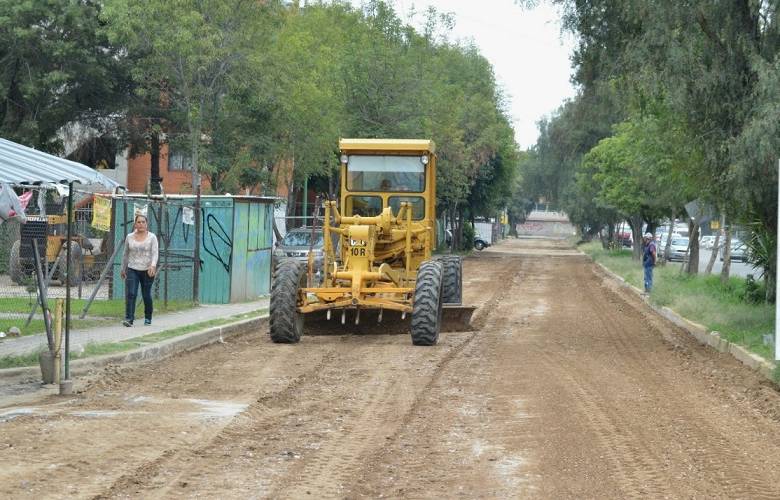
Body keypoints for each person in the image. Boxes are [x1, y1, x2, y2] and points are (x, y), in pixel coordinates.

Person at [120, 214, 159, 326]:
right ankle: (129, 319)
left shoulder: (152, 237)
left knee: (146, 294)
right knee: (131, 293)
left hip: (147, 270)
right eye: (139, 222)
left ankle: (148, 317)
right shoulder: (129, 237)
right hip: (132, 268)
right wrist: (123, 268)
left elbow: (155, 253)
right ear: (135, 224)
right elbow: (125, 254)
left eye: (143, 222)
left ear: (146, 224)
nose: (141, 224)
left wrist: (153, 265)